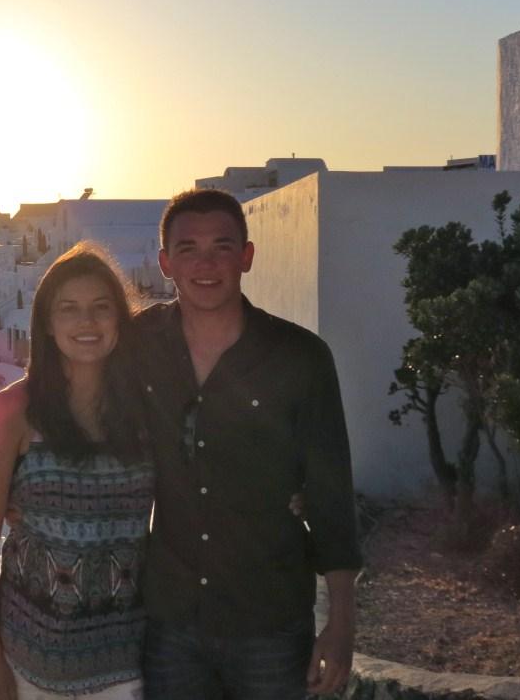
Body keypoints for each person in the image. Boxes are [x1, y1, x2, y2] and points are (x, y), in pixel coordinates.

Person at [134, 188, 362, 700]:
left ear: (247, 256)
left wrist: (342, 622)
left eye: (222, 246)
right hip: (170, 623)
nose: (206, 263)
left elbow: (331, 493)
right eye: (188, 249)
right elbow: (73, 401)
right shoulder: (138, 344)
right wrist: (22, 487)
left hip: (270, 622)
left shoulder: (300, 358)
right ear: (166, 263)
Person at [0, 242, 155, 699]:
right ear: (47, 324)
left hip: (129, 663)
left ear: (120, 319)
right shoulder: (12, 411)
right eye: (68, 308)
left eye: (101, 307)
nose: (86, 322)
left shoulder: (147, 410)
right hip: (31, 664)